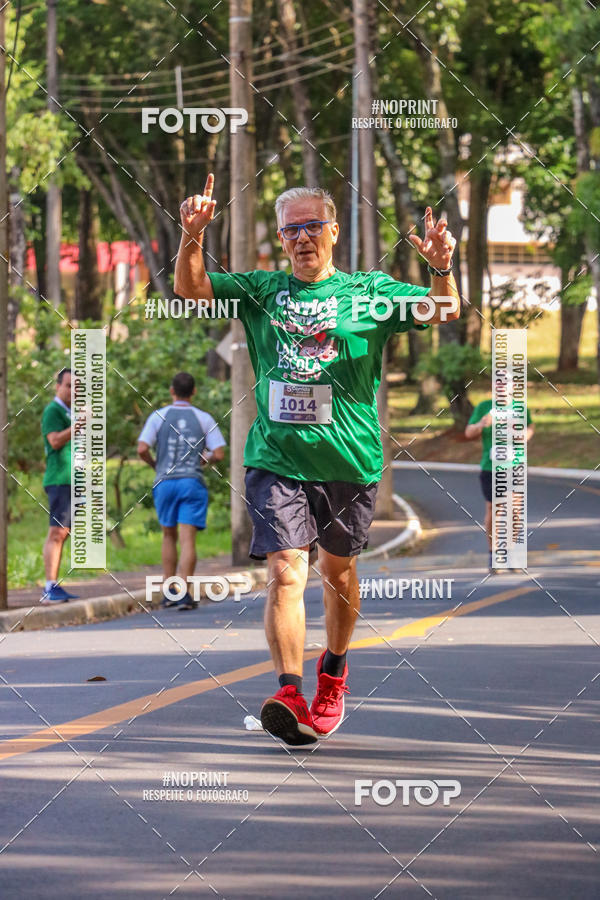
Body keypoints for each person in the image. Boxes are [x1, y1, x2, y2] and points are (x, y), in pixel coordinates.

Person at [174, 173, 461, 745]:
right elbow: (191, 290)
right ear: (281, 239)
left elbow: (444, 311)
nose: (302, 238)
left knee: (338, 573)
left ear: (333, 231)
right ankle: (287, 691)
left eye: (313, 226)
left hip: (349, 462)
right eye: (291, 229)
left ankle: (333, 671)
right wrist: (192, 235)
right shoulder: (261, 291)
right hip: (277, 458)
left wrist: (439, 266)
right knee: (285, 569)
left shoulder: (369, 291)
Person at [137, 372, 226, 610]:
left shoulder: (159, 416)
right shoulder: (203, 418)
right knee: (188, 540)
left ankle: (169, 591)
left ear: (171, 391)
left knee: (168, 535)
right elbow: (218, 453)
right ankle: (184, 591)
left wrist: (156, 465)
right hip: (191, 482)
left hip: (164, 482)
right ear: (194, 391)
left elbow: (142, 448)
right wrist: (201, 461)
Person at [465, 392, 534, 573]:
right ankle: (494, 553)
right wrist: (482, 423)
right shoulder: (484, 407)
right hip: (491, 467)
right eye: (499, 382)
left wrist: (521, 435)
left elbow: (529, 429)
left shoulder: (520, 408)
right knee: (493, 509)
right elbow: (468, 432)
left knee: (515, 510)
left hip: (515, 465)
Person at [40, 367, 79, 604]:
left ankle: (54, 584)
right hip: (59, 479)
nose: (73, 391)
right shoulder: (53, 411)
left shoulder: (70, 412)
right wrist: (76, 427)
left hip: (71, 480)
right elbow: (54, 441)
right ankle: (49, 586)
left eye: (77, 387)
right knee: (57, 532)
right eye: (69, 385)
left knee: (63, 532)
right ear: (58, 386)